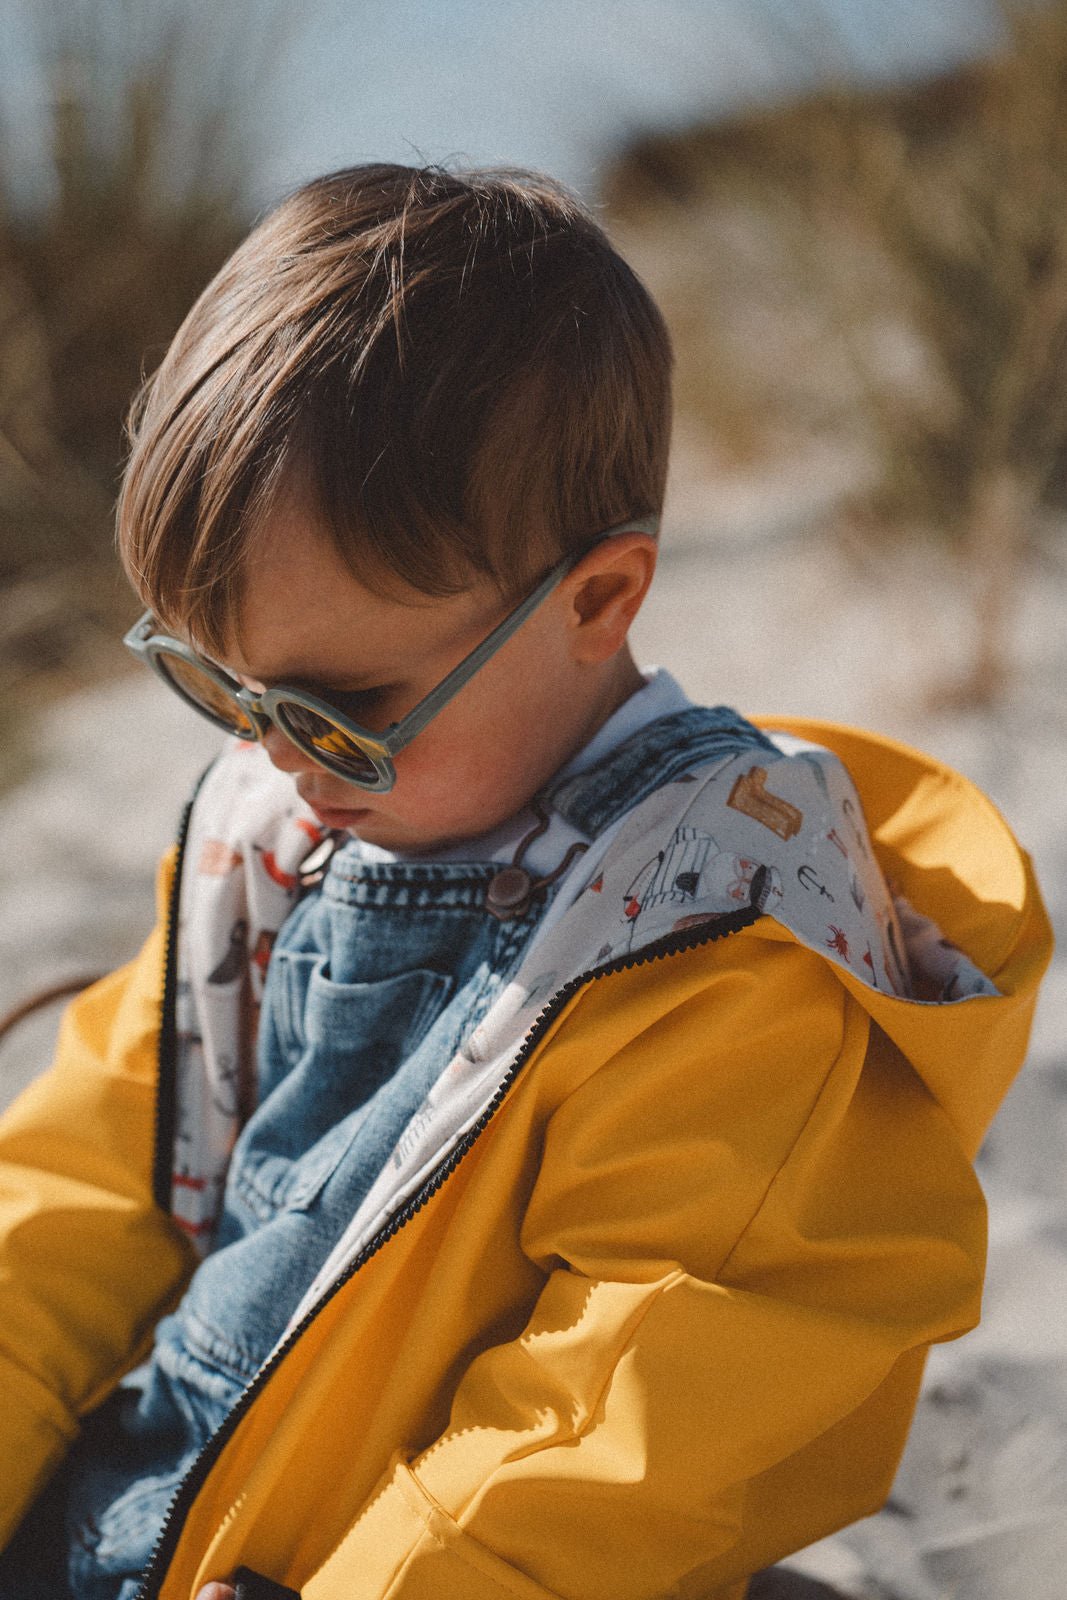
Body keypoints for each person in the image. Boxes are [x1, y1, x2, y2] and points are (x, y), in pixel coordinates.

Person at [0, 163, 1050, 1600]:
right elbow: (80, 1187)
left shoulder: (715, 946)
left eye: (337, 708)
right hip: (147, 1508)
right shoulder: (282, 825)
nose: (272, 754)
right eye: (216, 683)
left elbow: (607, 1432)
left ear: (599, 598)